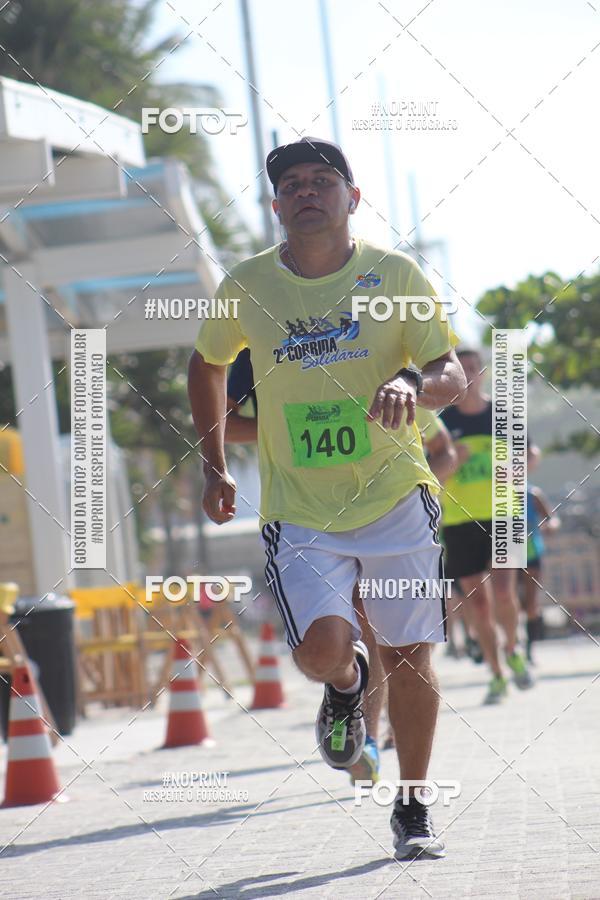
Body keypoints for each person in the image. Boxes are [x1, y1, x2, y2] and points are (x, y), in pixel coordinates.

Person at [188, 136, 466, 859]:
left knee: (411, 653)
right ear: (276, 205)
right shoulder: (247, 285)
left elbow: (449, 373)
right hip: (300, 507)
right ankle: (346, 687)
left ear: (352, 197)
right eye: (293, 185)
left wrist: (412, 384)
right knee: (322, 651)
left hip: (396, 496)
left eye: (322, 181)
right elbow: (207, 365)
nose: (307, 192)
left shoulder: (395, 273)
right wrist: (215, 462)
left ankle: (412, 806)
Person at [224, 349, 459, 777]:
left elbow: (443, 447)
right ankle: (354, 712)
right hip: (310, 514)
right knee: (339, 640)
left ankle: (367, 738)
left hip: (390, 516)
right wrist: (279, 425)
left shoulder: (379, 351)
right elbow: (222, 420)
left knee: (384, 636)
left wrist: (422, 490)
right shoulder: (262, 340)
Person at [440, 347, 533, 704]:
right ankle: (496, 674)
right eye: (462, 369)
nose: (470, 374)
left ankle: (513, 647)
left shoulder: (503, 415)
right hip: (460, 519)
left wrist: (518, 468)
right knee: (478, 605)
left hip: (504, 513)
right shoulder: (443, 423)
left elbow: (530, 455)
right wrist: (452, 461)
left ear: (483, 373)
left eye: (475, 367)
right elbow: (427, 474)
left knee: (506, 592)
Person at [521, 445, 560, 662]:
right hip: (504, 553)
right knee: (509, 599)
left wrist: (550, 526)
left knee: (530, 601)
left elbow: (552, 518)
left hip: (531, 551)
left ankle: (529, 647)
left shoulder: (532, 493)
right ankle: (513, 643)